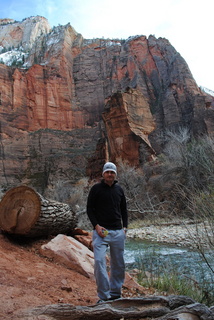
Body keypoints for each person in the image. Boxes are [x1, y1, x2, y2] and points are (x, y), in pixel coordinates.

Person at [87, 162, 128, 303]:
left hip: (117, 232)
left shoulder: (119, 190)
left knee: (118, 264)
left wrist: (125, 228)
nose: (110, 174)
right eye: (107, 172)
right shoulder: (96, 189)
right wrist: (96, 226)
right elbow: (89, 210)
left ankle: (115, 293)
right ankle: (104, 297)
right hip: (101, 232)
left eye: (112, 172)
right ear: (103, 174)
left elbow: (124, 210)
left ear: (115, 174)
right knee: (99, 262)